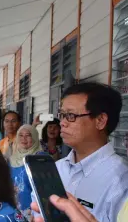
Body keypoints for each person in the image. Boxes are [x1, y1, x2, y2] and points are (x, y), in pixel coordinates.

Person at [33, 82, 128, 222]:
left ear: (100, 121)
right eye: (62, 115)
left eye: (70, 115)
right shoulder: (55, 170)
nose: (62, 123)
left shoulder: (120, 181)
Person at [9, 125, 45, 221]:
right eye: (20, 135)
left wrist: (37, 213)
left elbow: (44, 189)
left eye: (28, 135)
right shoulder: (12, 159)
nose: (23, 139)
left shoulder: (40, 158)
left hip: (33, 211)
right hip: (13, 209)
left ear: (34, 137)